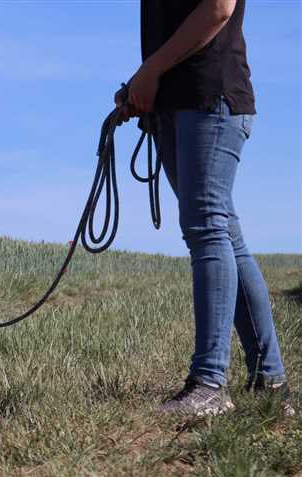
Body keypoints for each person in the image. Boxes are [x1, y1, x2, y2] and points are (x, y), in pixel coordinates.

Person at [117, 0, 294, 416]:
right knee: (222, 233)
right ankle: (269, 381)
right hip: (177, 103)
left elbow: (218, 7)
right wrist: (141, 85)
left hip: (209, 97)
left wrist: (150, 72)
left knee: (208, 228)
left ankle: (210, 385)